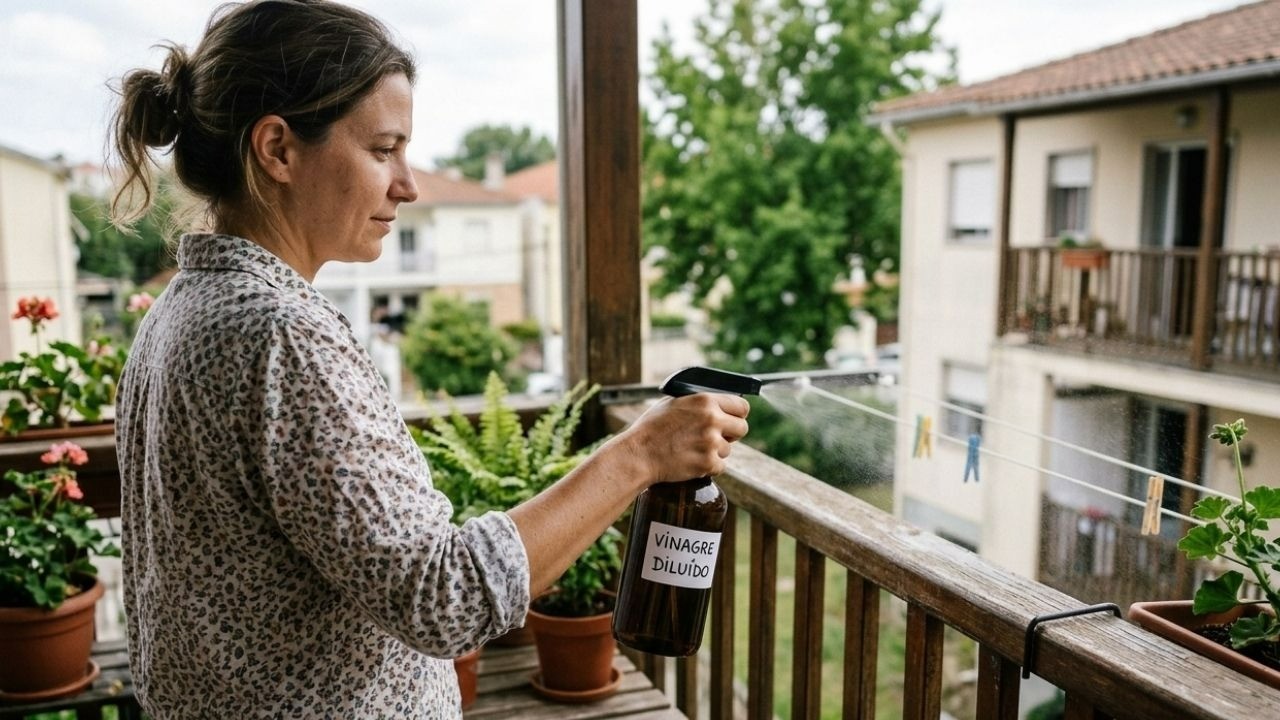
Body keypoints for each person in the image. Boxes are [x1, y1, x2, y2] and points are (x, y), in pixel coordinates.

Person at [108, 1, 750, 717]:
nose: (407, 185)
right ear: (278, 150)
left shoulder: (177, 311)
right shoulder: (277, 334)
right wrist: (639, 455)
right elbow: (445, 600)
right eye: (383, 150)